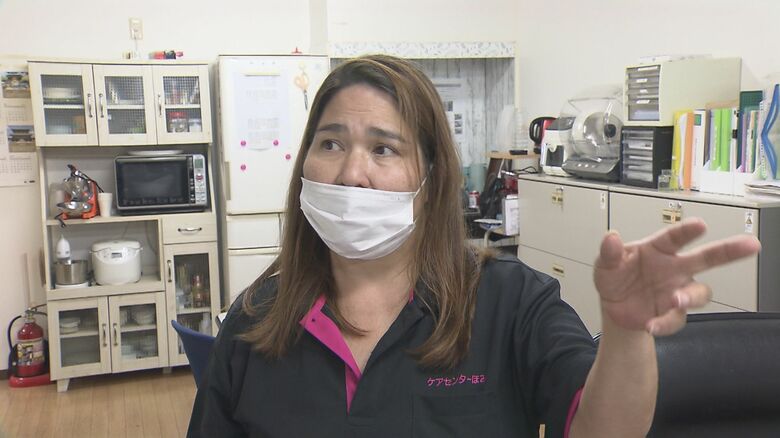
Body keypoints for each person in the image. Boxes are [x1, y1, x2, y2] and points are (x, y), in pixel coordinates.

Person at [188, 55, 760, 437]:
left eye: (384, 149)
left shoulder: (514, 303)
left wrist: (627, 334)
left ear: (431, 178)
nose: (352, 174)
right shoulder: (255, 319)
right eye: (331, 143)